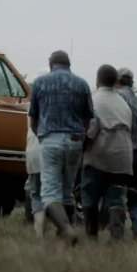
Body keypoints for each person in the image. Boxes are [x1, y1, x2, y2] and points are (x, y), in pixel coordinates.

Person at [28, 50, 93, 246]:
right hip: (75, 141)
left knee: (49, 193)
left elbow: (33, 118)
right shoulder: (82, 84)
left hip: (50, 139)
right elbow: (88, 118)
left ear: (51, 64)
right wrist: (80, 137)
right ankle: (64, 239)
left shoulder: (40, 83)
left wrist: (41, 136)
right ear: (68, 64)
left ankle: (66, 230)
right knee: (67, 191)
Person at [81, 64, 133, 241]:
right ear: (115, 82)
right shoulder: (123, 103)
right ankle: (117, 236)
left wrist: (82, 148)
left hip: (100, 155)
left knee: (90, 195)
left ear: (97, 80)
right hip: (124, 157)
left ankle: (91, 235)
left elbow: (92, 129)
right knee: (116, 198)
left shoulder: (94, 100)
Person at [116, 67, 137, 239]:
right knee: (136, 199)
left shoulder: (118, 97)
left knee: (118, 196)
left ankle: (117, 235)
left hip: (127, 154)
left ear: (118, 80)